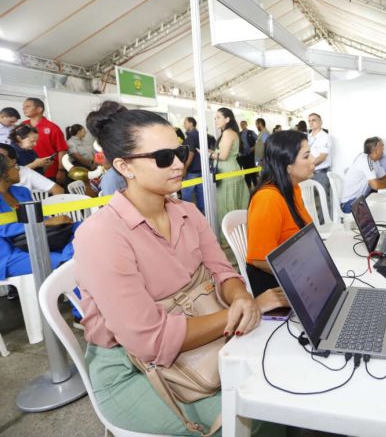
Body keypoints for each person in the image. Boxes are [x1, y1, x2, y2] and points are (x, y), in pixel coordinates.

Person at [74, 101, 286, 436]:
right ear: (124, 167)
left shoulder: (186, 212)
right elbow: (150, 341)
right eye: (162, 158)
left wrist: (241, 297)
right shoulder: (101, 236)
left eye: (180, 151)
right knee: (255, 410)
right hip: (132, 370)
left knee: (280, 388)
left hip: (198, 336)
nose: (178, 163)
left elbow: (223, 272)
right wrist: (249, 307)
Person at [246, 130, 315, 296]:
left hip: (300, 271)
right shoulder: (268, 199)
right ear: (288, 166)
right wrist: (304, 275)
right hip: (278, 287)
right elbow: (260, 259)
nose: (313, 160)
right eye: (306, 156)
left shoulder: (293, 189)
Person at [0, 155, 75, 300]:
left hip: (34, 242)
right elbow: (4, 229)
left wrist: (55, 221)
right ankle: (80, 314)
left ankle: (67, 257)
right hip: (7, 256)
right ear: (4, 173)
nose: (19, 169)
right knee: (69, 266)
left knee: (81, 230)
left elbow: (38, 217)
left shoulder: (21, 192)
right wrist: (45, 223)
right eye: (14, 167)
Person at [212, 108, 250, 234]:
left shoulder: (228, 133)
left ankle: (228, 236)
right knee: (232, 202)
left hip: (227, 170)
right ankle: (236, 233)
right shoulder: (229, 132)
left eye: (218, 117)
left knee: (227, 204)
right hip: (230, 169)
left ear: (227, 119)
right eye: (215, 117)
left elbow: (223, 156)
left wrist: (208, 154)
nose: (215, 120)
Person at [21, 97, 68, 183]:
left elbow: (62, 150)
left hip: (49, 172)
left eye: (27, 106)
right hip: (28, 170)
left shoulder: (53, 127)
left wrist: (61, 170)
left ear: (39, 109)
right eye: (23, 106)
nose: (24, 108)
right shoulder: (23, 125)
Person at [340, 137, 386, 213]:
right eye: (382, 146)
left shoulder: (375, 161)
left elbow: (385, 178)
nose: (383, 150)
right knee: (379, 210)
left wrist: (381, 182)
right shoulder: (365, 159)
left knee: (383, 205)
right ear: (375, 150)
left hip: (360, 199)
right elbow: (375, 185)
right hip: (349, 203)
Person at [307, 113, 332, 220]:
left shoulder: (325, 137)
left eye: (314, 120)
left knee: (323, 203)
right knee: (309, 202)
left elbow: (322, 157)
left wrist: (310, 164)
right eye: (309, 121)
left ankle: (324, 227)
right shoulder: (307, 137)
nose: (311, 122)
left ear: (320, 122)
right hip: (308, 174)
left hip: (320, 174)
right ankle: (312, 226)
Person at [181, 116, 205, 213]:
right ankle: (202, 215)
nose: (184, 125)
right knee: (201, 195)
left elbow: (190, 155)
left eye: (185, 123)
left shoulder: (190, 137)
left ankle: (190, 216)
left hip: (191, 171)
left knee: (187, 196)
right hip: (201, 170)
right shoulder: (201, 135)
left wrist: (184, 168)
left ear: (191, 123)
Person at [238, 120, 258, 188]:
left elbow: (259, 141)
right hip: (243, 155)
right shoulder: (239, 134)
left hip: (251, 154)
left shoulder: (251, 132)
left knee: (252, 169)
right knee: (246, 171)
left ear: (246, 124)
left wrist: (254, 147)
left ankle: (255, 184)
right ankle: (248, 186)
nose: (242, 125)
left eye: (243, 124)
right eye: (241, 124)